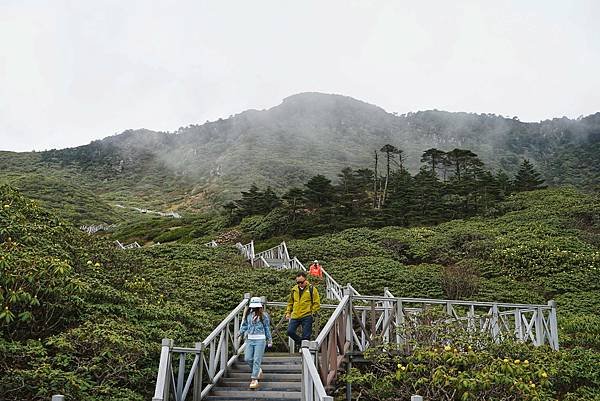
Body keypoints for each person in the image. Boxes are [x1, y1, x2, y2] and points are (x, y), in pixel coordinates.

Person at [239, 296, 273, 389]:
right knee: (248, 358)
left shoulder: (264, 315)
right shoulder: (248, 314)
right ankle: (258, 371)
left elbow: (267, 328)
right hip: (250, 339)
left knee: (257, 359)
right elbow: (245, 325)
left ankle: (254, 379)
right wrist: (240, 332)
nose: (253, 308)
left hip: (260, 340)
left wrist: (269, 339)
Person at [285, 272, 321, 350]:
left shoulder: (312, 289)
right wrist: (288, 312)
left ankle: (305, 351)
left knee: (306, 336)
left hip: (307, 315)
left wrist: (312, 312)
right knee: (290, 331)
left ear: (306, 280)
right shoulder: (294, 289)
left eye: (301, 282)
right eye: (298, 282)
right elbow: (290, 302)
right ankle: (302, 343)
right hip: (295, 315)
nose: (300, 284)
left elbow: (316, 302)